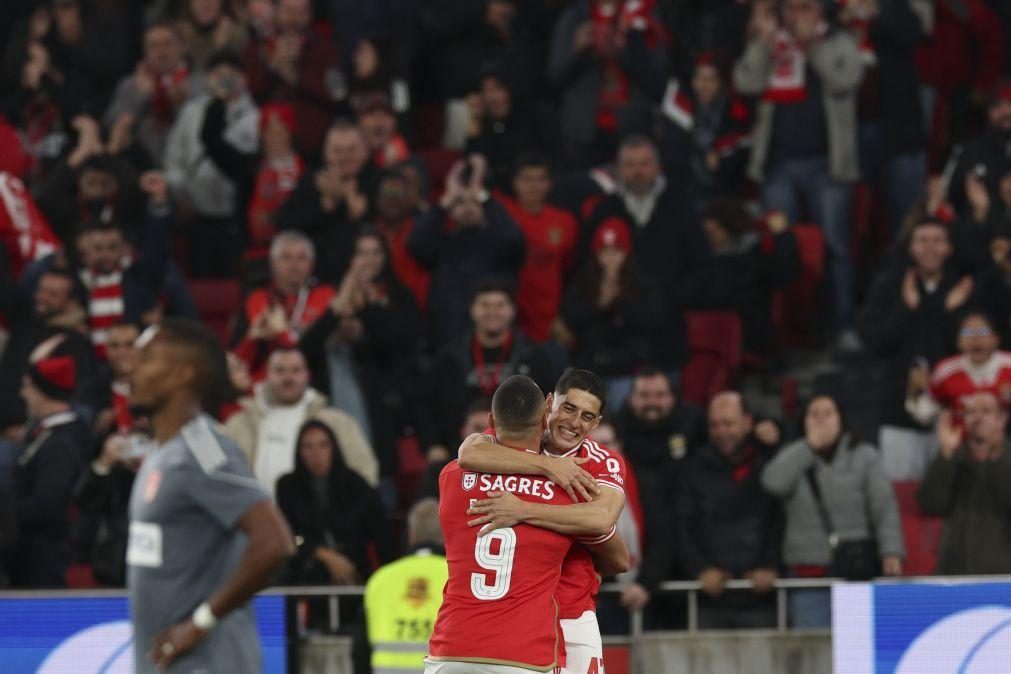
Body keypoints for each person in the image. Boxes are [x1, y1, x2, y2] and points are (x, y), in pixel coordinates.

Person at [126, 318, 294, 673]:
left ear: (182, 374)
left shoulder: (203, 449)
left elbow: (275, 541)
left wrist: (201, 621)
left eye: (146, 359)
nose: (131, 369)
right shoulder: (162, 451)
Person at [459, 368, 631, 674]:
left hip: (572, 615)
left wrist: (524, 510)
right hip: (516, 619)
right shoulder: (517, 437)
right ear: (550, 402)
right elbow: (468, 452)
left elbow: (603, 520)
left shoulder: (603, 462)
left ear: (598, 423)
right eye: (569, 408)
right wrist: (550, 468)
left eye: (588, 417)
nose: (575, 423)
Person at [733, 0, 866, 350]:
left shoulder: (839, 41)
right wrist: (762, 43)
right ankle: (783, 335)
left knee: (836, 248)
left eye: (805, 8)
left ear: (821, 12)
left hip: (828, 166)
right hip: (778, 166)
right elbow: (745, 82)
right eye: (790, 9)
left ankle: (843, 327)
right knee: (778, 251)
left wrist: (813, 47)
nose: (797, 17)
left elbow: (847, 78)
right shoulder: (771, 43)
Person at [425, 375, 578, 673]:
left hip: (452, 650)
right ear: (546, 415)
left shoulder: (451, 477)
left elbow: (472, 450)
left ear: (492, 420)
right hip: (523, 655)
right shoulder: (563, 487)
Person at [761, 394, 905, 628]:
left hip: (856, 567)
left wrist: (891, 551)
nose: (821, 420)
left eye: (828, 413)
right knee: (813, 646)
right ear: (803, 421)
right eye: (814, 414)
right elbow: (772, 483)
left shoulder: (864, 455)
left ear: (841, 419)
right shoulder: (793, 454)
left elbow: (884, 506)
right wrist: (808, 447)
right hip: (808, 572)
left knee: (857, 644)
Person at [298, 228, 421, 490]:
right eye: (361, 253)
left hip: (378, 432)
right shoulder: (323, 342)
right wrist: (338, 307)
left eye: (375, 252)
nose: (368, 261)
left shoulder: (396, 302)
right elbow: (305, 346)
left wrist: (364, 309)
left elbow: (396, 341)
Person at [583, 136, 699, 371]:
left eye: (644, 164)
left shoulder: (680, 206)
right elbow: (586, 263)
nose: (638, 171)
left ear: (657, 167)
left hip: (668, 330)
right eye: (631, 164)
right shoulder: (604, 209)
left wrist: (672, 299)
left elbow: (700, 263)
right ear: (619, 169)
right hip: (613, 335)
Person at [676, 392, 783, 629]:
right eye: (715, 425)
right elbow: (683, 525)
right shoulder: (693, 468)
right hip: (709, 596)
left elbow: (780, 520)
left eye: (729, 423)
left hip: (762, 596)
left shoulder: (769, 464)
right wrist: (700, 569)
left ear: (748, 422)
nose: (722, 432)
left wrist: (772, 566)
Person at [421, 279, 556, 459]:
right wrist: (434, 445)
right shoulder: (449, 359)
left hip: (521, 452)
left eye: (500, 305)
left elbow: (552, 402)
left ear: (513, 310)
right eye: (485, 305)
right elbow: (427, 404)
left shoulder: (535, 356)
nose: (492, 312)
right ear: (472, 309)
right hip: (459, 452)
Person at [224, 348, 379, 494]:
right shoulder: (238, 424)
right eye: (280, 370)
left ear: (307, 375)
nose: (288, 378)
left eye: (296, 370)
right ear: (267, 375)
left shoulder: (337, 422)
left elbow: (364, 470)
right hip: (253, 518)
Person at [407, 155, 527, 345]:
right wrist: (446, 200)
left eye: (475, 203)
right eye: (460, 203)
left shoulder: (499, 243)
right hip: (448, 336)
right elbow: (415, 242)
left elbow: (515, 240)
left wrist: (482, 195)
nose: (468, 208)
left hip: (494, 336)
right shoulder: (442, 244)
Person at [164, 50, 259, 278]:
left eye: (231, 75)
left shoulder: (255, 117)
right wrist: (180, 196)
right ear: (207, 79)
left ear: (244, 79)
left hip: (235, 216)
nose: (224, 80)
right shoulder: (191, 112)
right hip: (197, 214)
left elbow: (246, 165)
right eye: (218, 75)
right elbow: (174, 159)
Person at [7, 335, 91, 587]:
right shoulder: (48, 433)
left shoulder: (60, 443)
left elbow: (48, 505)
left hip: (44, 553)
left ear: (42, 391)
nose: (23, 394)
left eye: (27, 387)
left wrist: (5, 513)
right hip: (29, 548)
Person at [276, 420, 394, 588]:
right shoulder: (287, 486)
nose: (316, 453)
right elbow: (288, 534)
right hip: (304, 569)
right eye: (307, 447)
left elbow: (382, 533)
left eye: (323, 445)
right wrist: (323, 554)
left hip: (354, 569)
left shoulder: (355, 484)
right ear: (299, 452)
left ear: (334, 448)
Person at [559, 217, 660, 410]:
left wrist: (621, 301)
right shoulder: (584, 283)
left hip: (627, 369)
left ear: (626, 254)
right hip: (588, 367)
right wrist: (600, 302)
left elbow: (651, 320)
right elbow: (572, 319)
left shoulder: (640, 285)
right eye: (605, 252)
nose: (610, 258)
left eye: (616, 252)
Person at [918, 394, 1011, 574]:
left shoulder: (1007, 458)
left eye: (986, 411)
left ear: (1002, 419)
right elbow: (930, 504)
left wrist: (995, 458)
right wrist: (945, 455)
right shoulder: (954, 456)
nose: (978, 417)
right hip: (954, 573)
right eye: (970, 412)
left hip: (1002, 576)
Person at [243, 0, 343, 161]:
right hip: (268, 147)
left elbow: (335, 95)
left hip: (313, 146)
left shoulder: (326, 50)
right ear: (276, 11)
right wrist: (273, 68)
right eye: (289, 11)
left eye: (301, 12)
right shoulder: (258, 48)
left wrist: (295, 77)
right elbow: (250, 92)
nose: (294, 19)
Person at [231, 231, 336, 381]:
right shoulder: (258, 298)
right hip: (265, 379)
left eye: (301, 258)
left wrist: (281, 332)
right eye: (286, 258)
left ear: (312, 265)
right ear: (272, 263)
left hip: (316, 375)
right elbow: (239, 358)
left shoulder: (326, 295)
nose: (294, 265)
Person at [497, 152, 578, 343]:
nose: (533, 186)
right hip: (509, 319)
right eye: (526, 179)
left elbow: (570, 273)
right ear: (514, 182)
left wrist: (566, 317)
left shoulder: (564, 222)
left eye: (540, 179)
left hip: (551, 321)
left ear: (549, 184)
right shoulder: (501, 215)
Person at [364, 498, 447, 674]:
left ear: (412, 534)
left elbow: (360, 649)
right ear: (447, 534)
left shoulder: (380, 579)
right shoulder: (459, 577)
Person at [104, 21, 191, 165]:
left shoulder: (196, 82)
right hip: (138, 160)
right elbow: (111, 123)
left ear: (181, 47)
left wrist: (180, 102)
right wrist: (141, 96)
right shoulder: (131, 85)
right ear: (145, 52)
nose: (161, 52)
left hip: (184, 163)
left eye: (167, 44)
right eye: (154, 46)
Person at [906, 312, 1011, 426]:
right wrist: (915, 391)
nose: (976, 338)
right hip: (960, 441)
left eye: (983, 331)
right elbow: (925, 414)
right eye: (967, 332)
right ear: (958, 341)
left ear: (995, 338)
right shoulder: (945, 371)